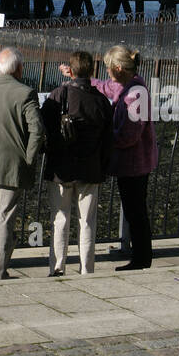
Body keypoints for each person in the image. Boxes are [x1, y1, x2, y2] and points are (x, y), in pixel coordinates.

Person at [0, 48, 45, 281]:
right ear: (20, 68)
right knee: (5, 218)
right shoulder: (26, 93)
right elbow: (37, 130)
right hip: (13, 165)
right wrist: (29, 158)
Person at [87, 45, 158, 270]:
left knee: (136, 212)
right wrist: (82, 79)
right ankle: (140, 257)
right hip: (131, 163)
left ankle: (141, 259)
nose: (106, 72)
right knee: (134, 211)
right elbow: (105, 87)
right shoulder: (125, 85)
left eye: (108, 68)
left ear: (118, 68)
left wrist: (103, 136)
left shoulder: (137, 93)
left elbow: (130, 135)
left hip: (135, 164)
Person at [43, 50, 113, 276]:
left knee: (60, 219)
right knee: (87, 222)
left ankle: (57, 267)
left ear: (70, 71)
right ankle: (86, 268)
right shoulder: (102, 100)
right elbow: (109, 137)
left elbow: (43, 125)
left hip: (61, 168)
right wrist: (103, 165)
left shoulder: (59, 94)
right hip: (90, 168)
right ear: (93, 71)